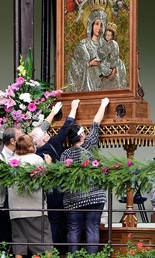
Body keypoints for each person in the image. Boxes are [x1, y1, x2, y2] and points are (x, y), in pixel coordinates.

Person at [60, 98, 109, 254]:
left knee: (73, 229)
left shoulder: (65, 154)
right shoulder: (90, 145)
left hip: (73, 198)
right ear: (82, 136)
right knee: (92, 228)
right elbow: (96, 123)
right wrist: (103, 104)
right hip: (94, 196)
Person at [29, 100, 79, 245]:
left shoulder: (36, 154)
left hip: (49, 193)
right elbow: (67, 126)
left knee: (53, 222)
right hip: (62, 189)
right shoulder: (54, 143)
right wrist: (74, 107)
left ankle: (53, 250)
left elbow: (39, 132)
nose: (47, 132)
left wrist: (52, 113)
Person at [8, 135, 53, 258]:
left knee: (19, 243)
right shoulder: (36, 159)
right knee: (45, 241)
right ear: (30, 145)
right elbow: (46, 180)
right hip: (35, 209)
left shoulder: (11, 161)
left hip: (15, 209)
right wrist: (48, 165)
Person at [0, 126, 23, 245]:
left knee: (10, 234)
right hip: (0, 202)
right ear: (13, 141)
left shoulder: (16, 154)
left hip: (11, 202)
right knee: (1, 233)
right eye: (20, 137)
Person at [67, 7, 114, 91]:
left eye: (102, 25)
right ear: (91, 25)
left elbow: (113, 61)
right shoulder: (83, 45)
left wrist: (113, 69)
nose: (99, 28)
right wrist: (89, 64)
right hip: (88, 84)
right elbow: (74, 67)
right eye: (97, 24)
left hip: (104, 82)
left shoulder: (106, 45)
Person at [97, 21, 127, 90]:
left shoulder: (113, 43)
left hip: (114, 62)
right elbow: (100, 51)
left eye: (109, 35)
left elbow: (115, 54)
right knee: (101, 65)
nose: (107, 37)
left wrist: (112, 63)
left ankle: (108, 74)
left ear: (112, 36)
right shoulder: (104, 43)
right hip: (107, 61)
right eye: (106, 35)